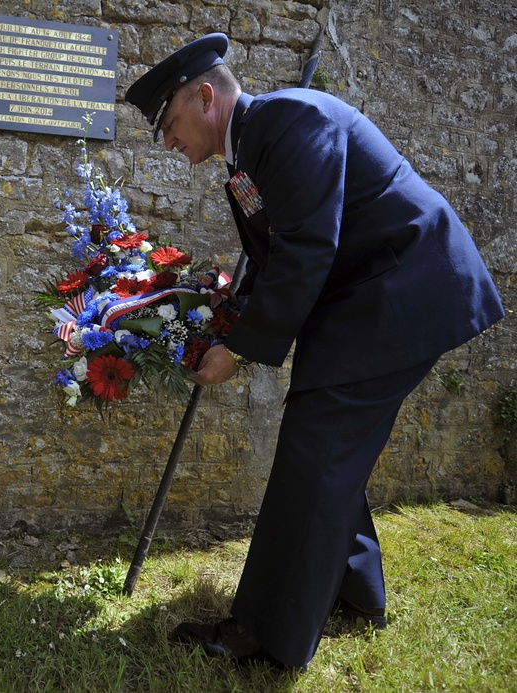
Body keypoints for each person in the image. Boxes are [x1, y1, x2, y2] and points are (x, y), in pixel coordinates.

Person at [125, 33, 504, 669]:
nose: (166, 141)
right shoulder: (250, 149)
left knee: (316, 450)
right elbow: (274, 257)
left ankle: (266, 636)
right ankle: (356, 595)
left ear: (205, 95)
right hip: (372, 301)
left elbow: (305, 251)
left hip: (402, 294)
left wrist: (238, 351)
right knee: (326, 452)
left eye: (168, 122)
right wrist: (230, 320)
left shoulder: (291, 122)